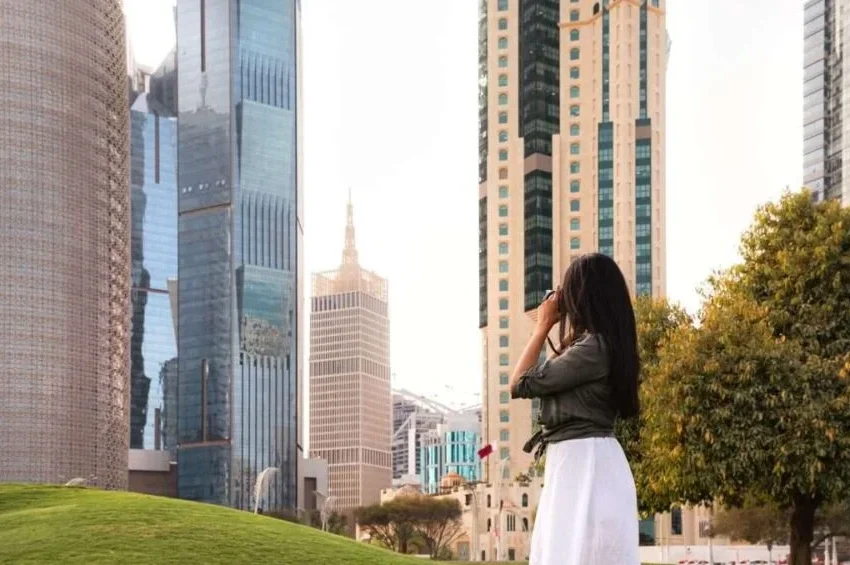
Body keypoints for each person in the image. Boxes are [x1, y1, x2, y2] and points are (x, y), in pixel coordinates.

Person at [510, 252, 641, 565]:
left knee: (574, 554)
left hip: (584, 464)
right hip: (582, 460)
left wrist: (542, 325)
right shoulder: (597, 344)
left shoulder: (595, 348)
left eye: (567, 291)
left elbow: (520, 383)